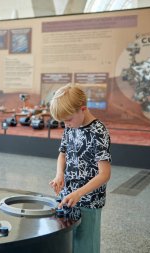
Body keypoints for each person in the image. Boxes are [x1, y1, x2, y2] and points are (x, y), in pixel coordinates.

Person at [48, 84, 112, 253]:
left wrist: (79, 193)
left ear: (83, 109)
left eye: (68, 120)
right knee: (69, 241)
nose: (66, 125)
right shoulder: (70, 127)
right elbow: (63, 153)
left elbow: (104, 174)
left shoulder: (98, 131)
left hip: (89, 201)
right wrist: (59, 174)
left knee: (86, 244)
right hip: (68, 196)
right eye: (62, 121)